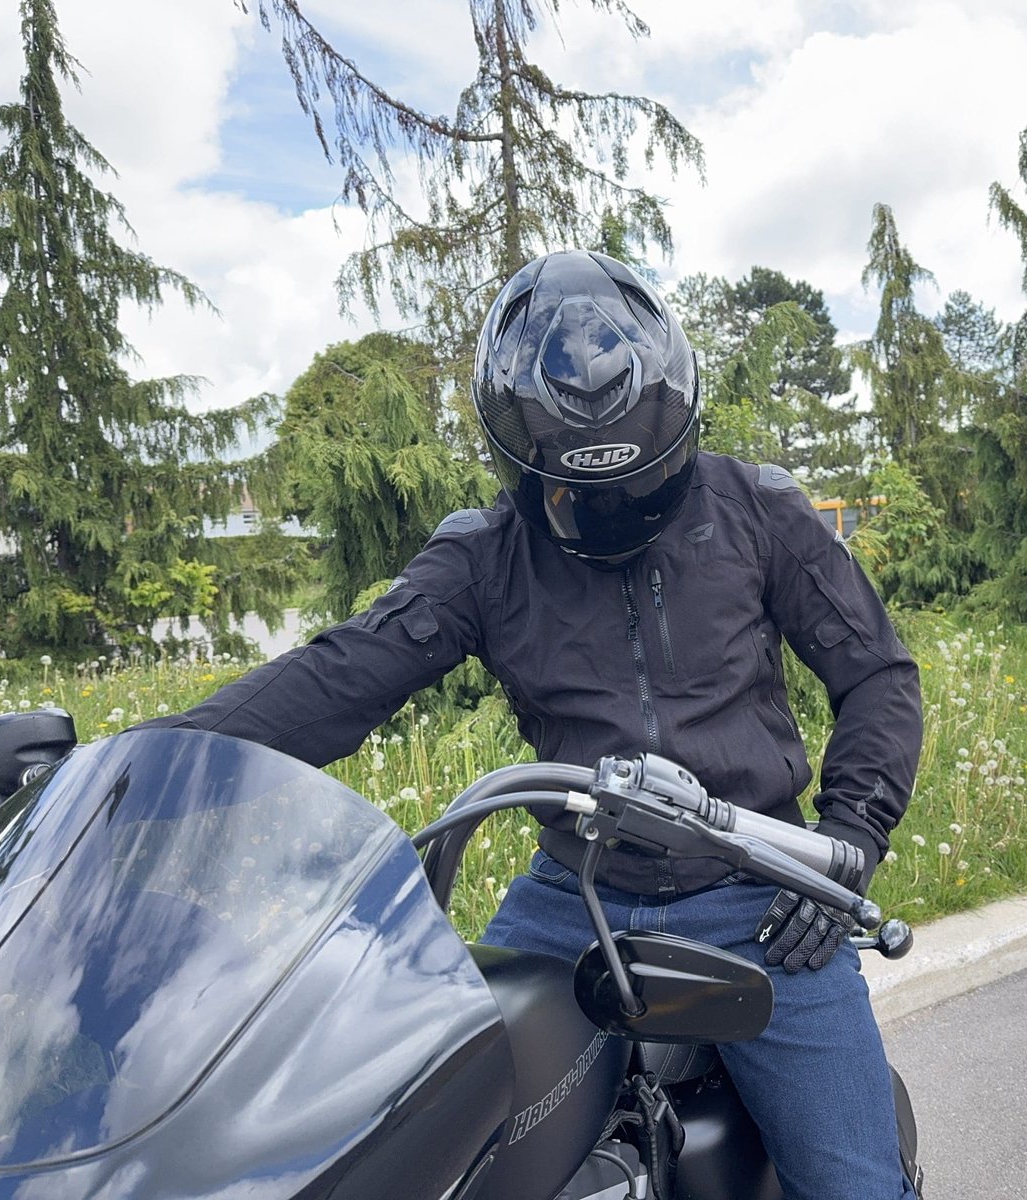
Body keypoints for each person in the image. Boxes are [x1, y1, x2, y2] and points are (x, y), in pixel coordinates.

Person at [148, 249, 922, 1199]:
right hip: (573, 896)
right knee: (427, 1131)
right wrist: (142, 763)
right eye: (580, 494)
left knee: (854, 1185)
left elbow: (878, 674)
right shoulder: (485, 558)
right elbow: (339, 675)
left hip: (756, 890)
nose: (616, 508)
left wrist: (848, 840)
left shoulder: (757, 511)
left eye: (641, 480)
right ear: (521, 465)